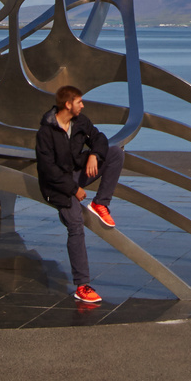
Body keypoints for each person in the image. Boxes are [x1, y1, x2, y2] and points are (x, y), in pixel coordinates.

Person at [35, 84, 124, 304]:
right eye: (79, 102)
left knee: (114, 153)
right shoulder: (46, 132)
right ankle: (82, 286)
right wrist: (74, 189)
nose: (82, 105)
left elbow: (100, 138)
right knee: (75, 226)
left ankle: (101, 204)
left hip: (77, 175)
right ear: (68, 104)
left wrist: (94, 154)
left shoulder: (80, 122)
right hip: (57, 187)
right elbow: (48, 169)